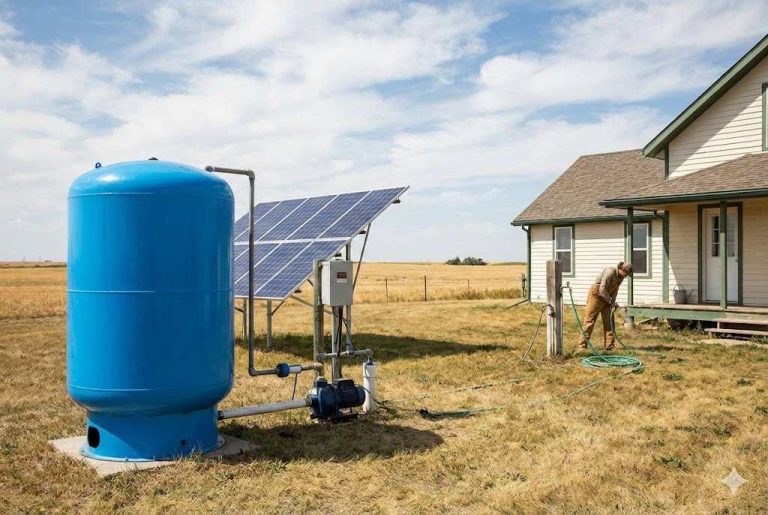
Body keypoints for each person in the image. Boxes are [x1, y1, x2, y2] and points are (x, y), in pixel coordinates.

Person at [577, 262, 633, 351]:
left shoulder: (621, 277)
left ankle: (610, 346)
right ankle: (582, 347)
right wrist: (610, 301)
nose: (626, 276)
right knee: (589, 320)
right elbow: (602, 289)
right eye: (626, 274)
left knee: (609, 321)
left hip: (607, 296)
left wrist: (613, 301)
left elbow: (615, 289)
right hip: (597, 294)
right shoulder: (610, 272)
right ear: (622, 269)